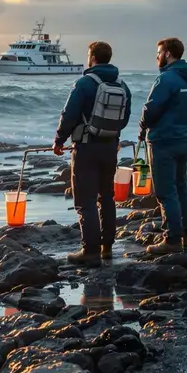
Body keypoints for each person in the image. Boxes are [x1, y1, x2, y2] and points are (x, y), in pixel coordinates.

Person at [53, 41, 132, 266]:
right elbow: (124, 118)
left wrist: (59, 140)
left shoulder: (84, 83)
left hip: (86, 147)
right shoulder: (122, 85)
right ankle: (107, 248)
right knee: (106, 197)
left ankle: (90, 251)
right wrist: (113, 137)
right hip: (110, 147)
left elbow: (69, 114)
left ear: (93, 57)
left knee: (85, 200)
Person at [139, 37, 187, 254]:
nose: (156, 56)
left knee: (166, 191)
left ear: (167, 54)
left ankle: (172, 239)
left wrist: (143, 124)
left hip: (163, 141)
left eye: (159, 52)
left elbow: (151, 109)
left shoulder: (166, 79)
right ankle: (186, 236)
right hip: (183, 139)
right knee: (181, 186)